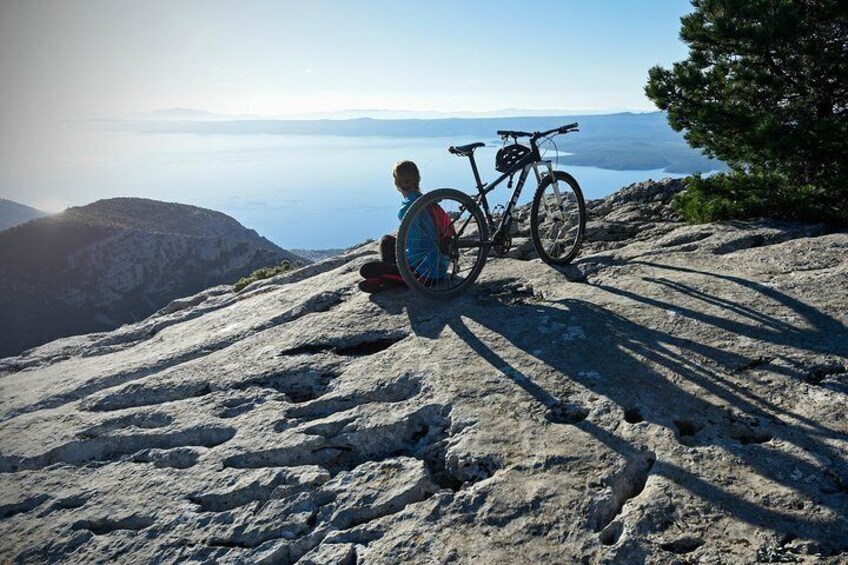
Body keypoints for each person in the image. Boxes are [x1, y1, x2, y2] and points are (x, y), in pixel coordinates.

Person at [358, 160, 449, 293]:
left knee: (367, 270)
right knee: (386, 240)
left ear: (397, 184)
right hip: (437, 265)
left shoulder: (408, 208)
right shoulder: (427, 200)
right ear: (418, 179)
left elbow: (416, 245)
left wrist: (402, 259)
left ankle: (387, 280)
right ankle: (388, 277)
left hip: (424, 274)